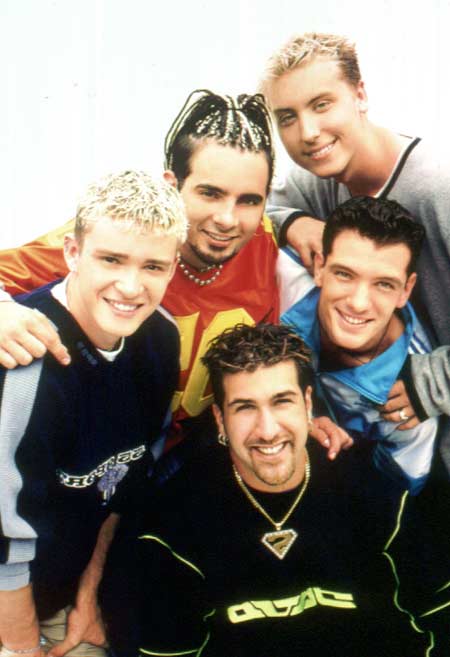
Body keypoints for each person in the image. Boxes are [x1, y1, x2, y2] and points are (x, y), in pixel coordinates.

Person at [0, 90, 349, 456]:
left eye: (249, 200)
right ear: (171, 186)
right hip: (96, 452)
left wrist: (305, 415)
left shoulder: (266, 246)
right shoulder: (120, 238)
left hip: (194, 452)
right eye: (210, 194)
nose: (228, 219)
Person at [118, 323, 435, 657]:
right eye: (245, 407)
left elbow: (439, 613)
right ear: (220, 419)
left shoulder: (376, 492)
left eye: (282, 401)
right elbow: (170, 651)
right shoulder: (175, 527)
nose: (267, 430)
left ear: (307, 404)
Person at [0, 170, 188, 657]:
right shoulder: (23, 354)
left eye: (153, 266)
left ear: (173, 267)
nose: (130, 286)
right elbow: (3, 539)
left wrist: (88, 597)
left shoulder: (161, 339)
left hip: (65, 595)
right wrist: (22, 648)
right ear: (72, 253)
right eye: (111, 259)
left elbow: (122, 484)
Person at [259, 32, 450, 472]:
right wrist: (293, 222)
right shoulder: (320, 179)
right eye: (287, 117)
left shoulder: (439, 188)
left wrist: (435, 381)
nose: (308, 133)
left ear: (360, 95)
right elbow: (247, 207)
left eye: (322, 104)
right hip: (386, 443)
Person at [279, 195, 437, 493]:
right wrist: (290, 222)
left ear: (406, 290)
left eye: (384, 284)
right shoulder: (283, 276)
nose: (358, 303)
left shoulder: (410, 406)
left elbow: (393, 497)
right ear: (320, 267)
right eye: (344, 274)